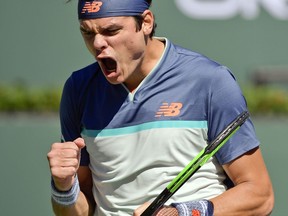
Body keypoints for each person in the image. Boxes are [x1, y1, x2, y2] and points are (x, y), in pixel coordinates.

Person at [47, 0, 274, 215]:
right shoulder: (79, 89)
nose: (97, 44)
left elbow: (260, 196)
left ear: (145, 22)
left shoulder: (210, 81)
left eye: (111, 31)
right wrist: (64, 188)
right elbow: (79, 209)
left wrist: (181, 213)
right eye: (87, 32)